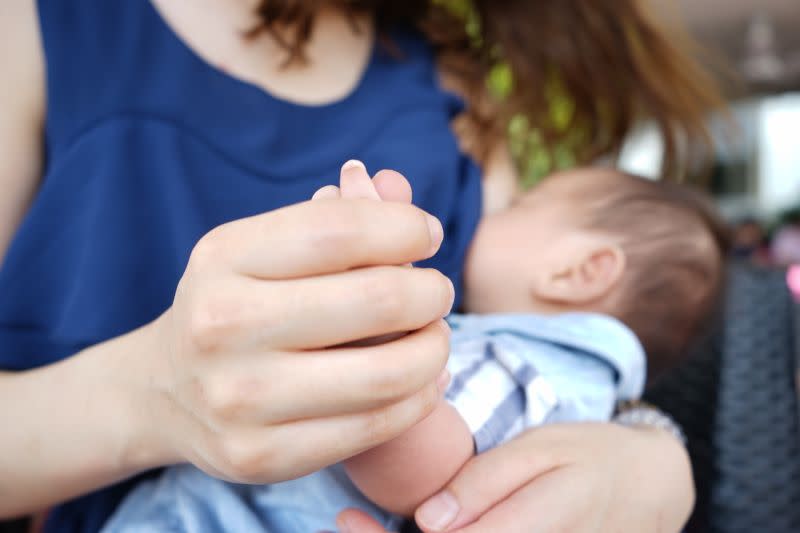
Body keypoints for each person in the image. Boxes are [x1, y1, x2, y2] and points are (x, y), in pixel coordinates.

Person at [0, 1, 719, 532]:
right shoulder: (34, 26)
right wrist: (150, 395)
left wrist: (652, 457)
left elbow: (523, 353)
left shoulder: (460, 90)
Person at [100, 164, 727, 533]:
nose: (489, 213)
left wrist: (380, 335)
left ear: (579, 273)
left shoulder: (529, 362)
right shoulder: (567, 379)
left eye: (525, 205)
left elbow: (425, 477)